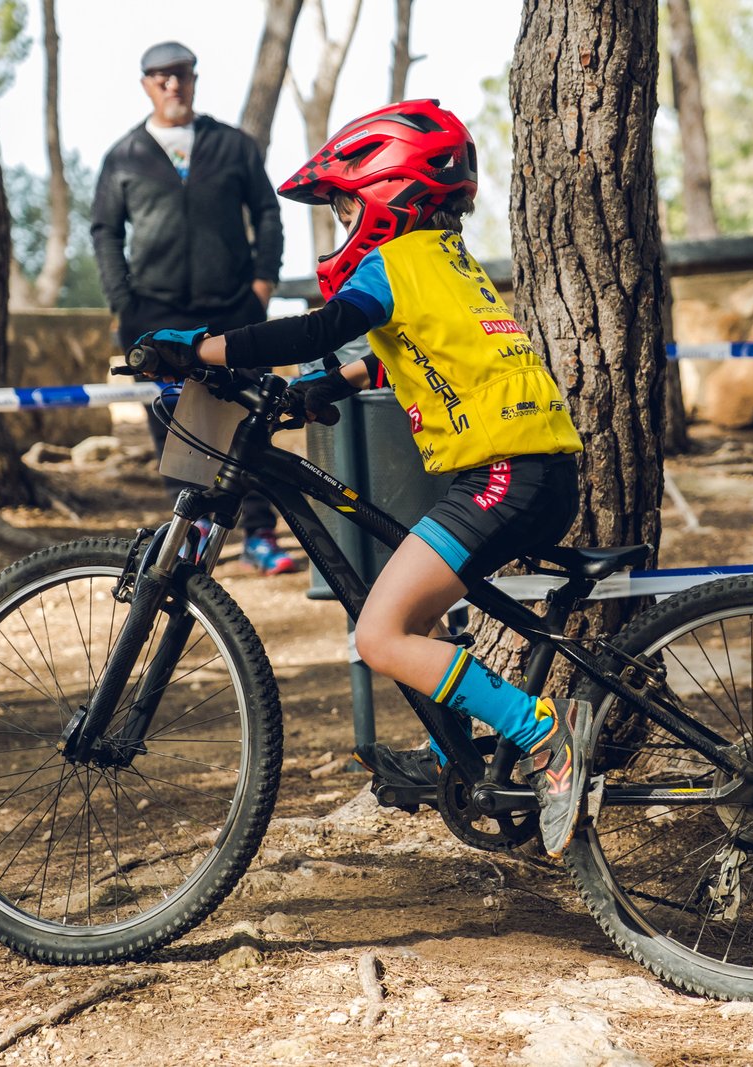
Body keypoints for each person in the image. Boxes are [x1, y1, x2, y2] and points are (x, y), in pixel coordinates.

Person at [132, 101, 593, 857]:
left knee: (379, 633)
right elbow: (402, 351)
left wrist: (201, 348)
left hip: (503, 477)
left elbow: (318, 328)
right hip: (531, 473)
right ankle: (454, 753)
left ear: (383, 195)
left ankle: (542, 732)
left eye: (343, 207)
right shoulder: (448, 264)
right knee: (416, 614)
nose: (341, 224)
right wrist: (325, 385)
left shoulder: (393, 263)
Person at [90, 41, 298, 574]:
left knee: (248, 418)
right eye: (160, 76)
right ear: (146, 84)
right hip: (154, 316)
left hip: (233, 311)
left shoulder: (233, 145)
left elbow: (267, 213)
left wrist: (262, 285)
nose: (172, 85)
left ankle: (258, 533)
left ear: (194, 79)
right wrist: (124, 304)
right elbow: (105, 231)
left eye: (180, 74)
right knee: (172, 425)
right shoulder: (124, 155)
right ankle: (192, 532)